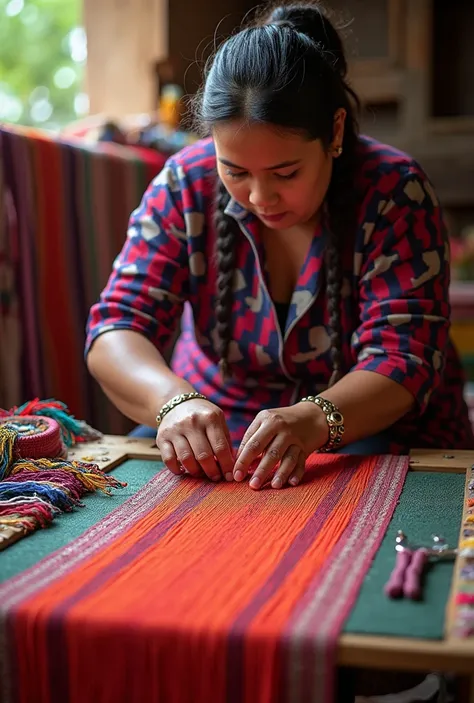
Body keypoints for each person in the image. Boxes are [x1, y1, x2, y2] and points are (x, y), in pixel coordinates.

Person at [85, 1, 474, 493]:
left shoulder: (395, 191)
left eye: (286, 173)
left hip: (374, 427)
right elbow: (116, 326)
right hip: (219, 429)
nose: (259, 198)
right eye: (236, 171)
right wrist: (173, 403)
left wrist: (314, 419)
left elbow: (405, 355)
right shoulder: (184, 182)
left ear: (333, 132)